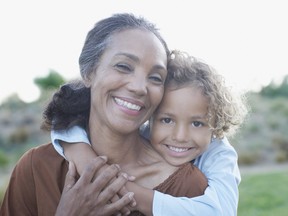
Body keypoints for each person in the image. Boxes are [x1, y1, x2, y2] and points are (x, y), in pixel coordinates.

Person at [0, 13, 208, 216]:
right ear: (89, 72)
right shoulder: (38, 168)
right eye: (123, 66)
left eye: (155, 77)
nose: (139, 87)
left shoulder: (187, 187)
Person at [52, 50, 248, 216]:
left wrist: (124, 191)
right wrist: (80, 152)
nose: (180, 136)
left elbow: (220, 211)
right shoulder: (143, 135)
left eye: (197, 123)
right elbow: (66, 119)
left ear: (216, 125)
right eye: (167, 120)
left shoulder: (219, 153)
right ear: (149, 115)